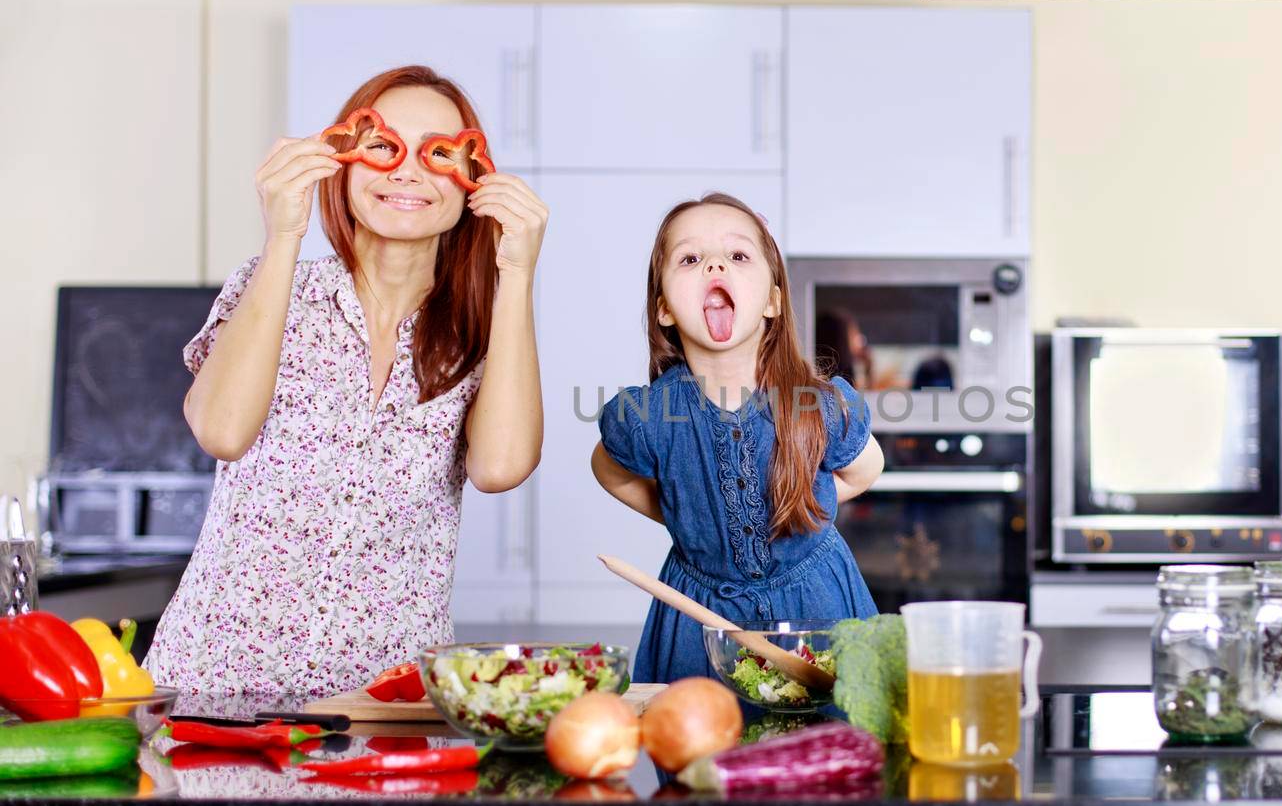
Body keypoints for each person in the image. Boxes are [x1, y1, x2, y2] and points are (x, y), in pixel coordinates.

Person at [145, 65, 549, 696]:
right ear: (344, 159)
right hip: (214, 686)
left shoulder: (480, 331)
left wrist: (518, 270)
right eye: (385, 148)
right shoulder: (276, 288)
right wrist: (284, 233)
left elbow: (500, 468)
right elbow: (222, 431)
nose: (409, 172)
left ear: (473, 178)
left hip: (385, 702)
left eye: (437, 153)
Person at [591, 192, 884, 683]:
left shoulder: (818, 406)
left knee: (830, 742)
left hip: (818, 607)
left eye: (738, 255)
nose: (714, 266)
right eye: (690, 258)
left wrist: (807, 505)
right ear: (663, 308)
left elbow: (866, 467)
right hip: (696, 620)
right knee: (701, 748)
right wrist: (689, 514)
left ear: (772, 299)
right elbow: (607, 469)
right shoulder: (646, 415)